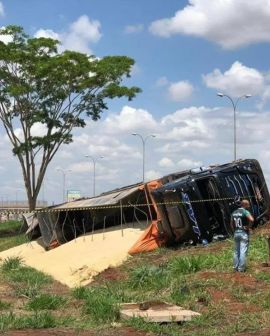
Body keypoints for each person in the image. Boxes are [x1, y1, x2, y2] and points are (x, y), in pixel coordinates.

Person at [231, 199, 254, 272]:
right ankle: (241, 269)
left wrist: (234, 230)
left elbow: (231, 224)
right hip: (243, 233)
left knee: (236, 251)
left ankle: (235, 268)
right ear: (244, 205)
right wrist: (249, 227)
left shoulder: (234, 212)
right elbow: (251, 219)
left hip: (236, 232)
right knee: (243, 251)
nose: (249, 206)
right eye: (248, 205)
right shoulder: (245, 211)